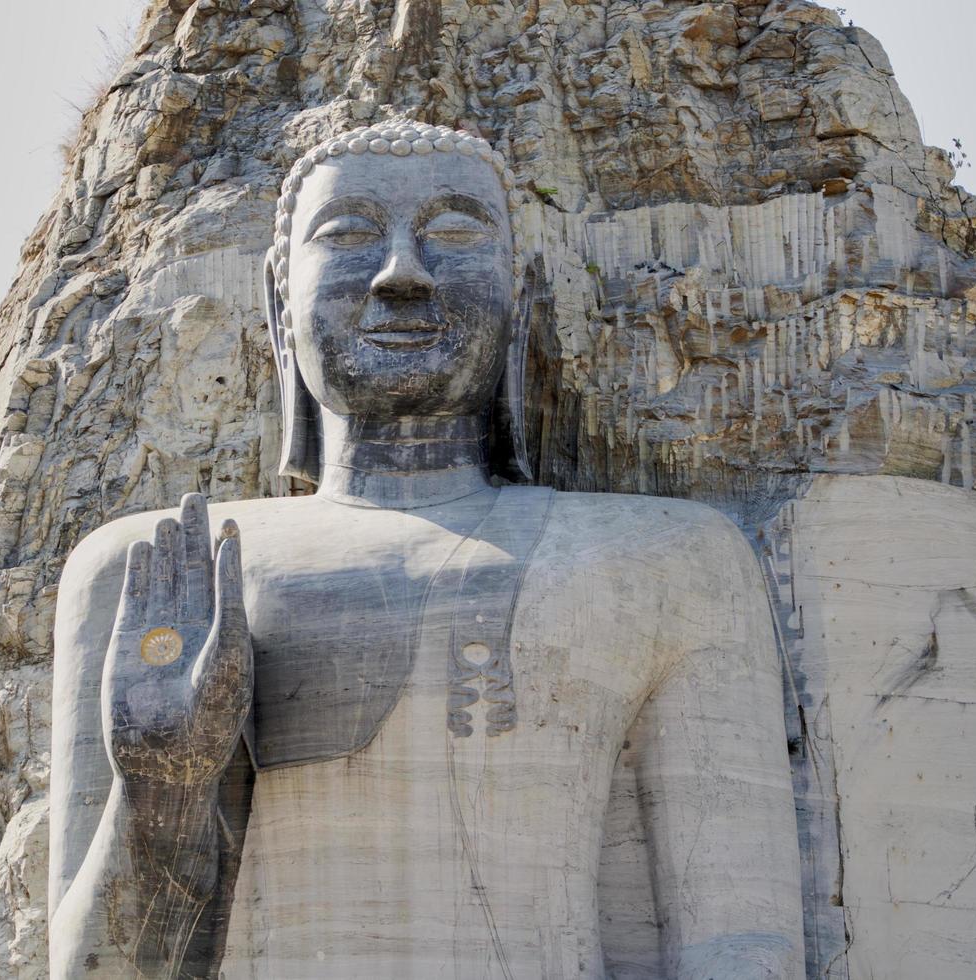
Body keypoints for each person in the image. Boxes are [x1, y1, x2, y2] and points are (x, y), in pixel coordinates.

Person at [49, 121, 803, 979]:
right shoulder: (161, 569)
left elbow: (740, 944)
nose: (401, 274)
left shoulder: (668, 557)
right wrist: (165, 790)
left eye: (452, 234)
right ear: (276, 303)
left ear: (519, 298)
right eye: (348, 236)